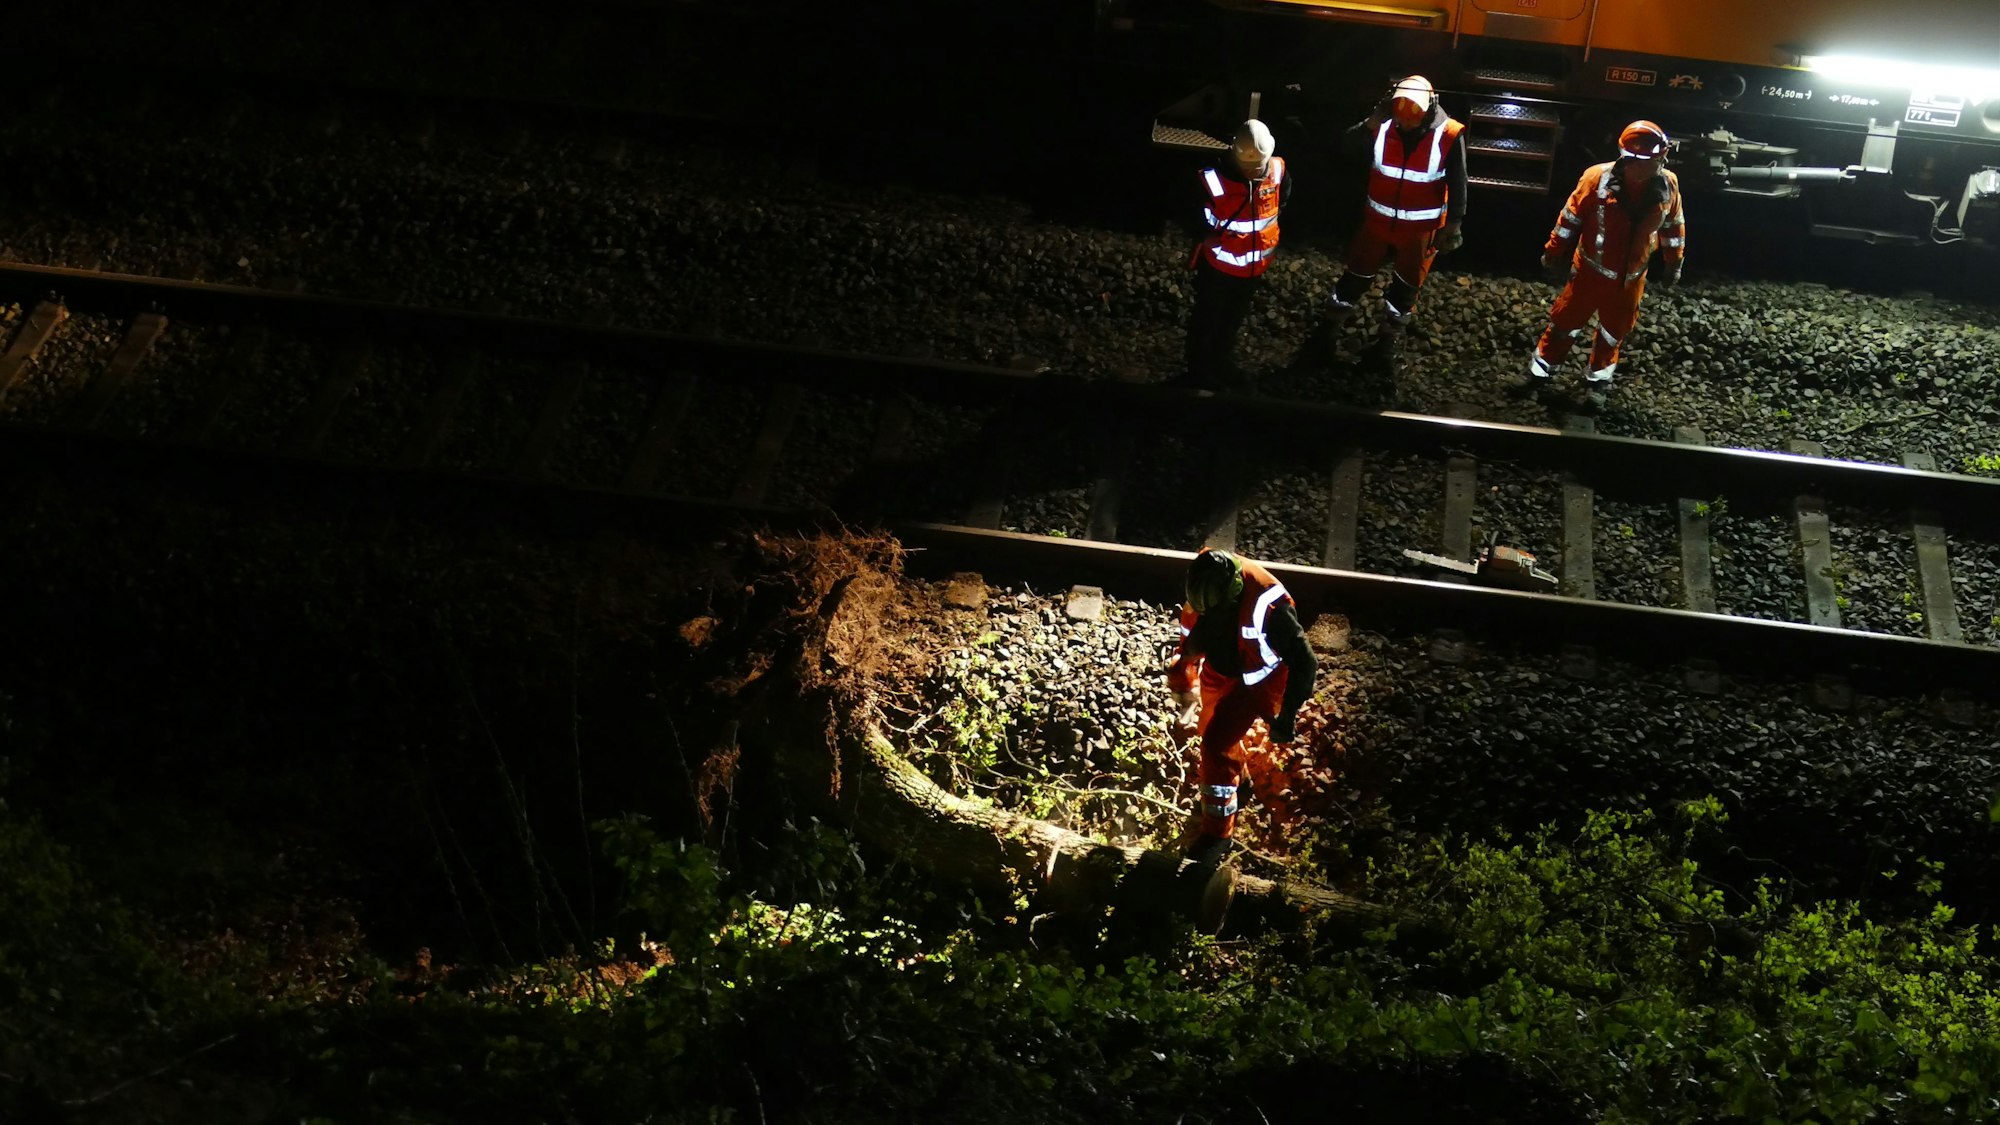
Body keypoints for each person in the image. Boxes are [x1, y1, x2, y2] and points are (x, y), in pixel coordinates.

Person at [1165, 548, 1317, 860]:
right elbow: (1194, 636)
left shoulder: (1268, 603)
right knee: (1209, 727)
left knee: (1215, 746)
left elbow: (1305, 662)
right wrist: (1184, 674)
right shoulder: (1207, 584)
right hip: (1221, 669)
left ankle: (1218, 835)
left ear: (1232, 596)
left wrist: (1286, 716)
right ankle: (1241, 780)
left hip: (1257, 681)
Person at [1523, 119, 1687, 404]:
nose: (1659, 162)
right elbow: (1570, 219)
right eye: (1655, 157)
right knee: (1564, 323)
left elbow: (1674, 227)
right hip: (1590, 273)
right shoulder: (1595, 179)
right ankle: (1539, 374)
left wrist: (1675, 263)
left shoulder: (1668, 185)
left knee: (1613, 333)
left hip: (1630, 279)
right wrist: (1554, 252)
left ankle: (1597, 383)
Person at [1323, 75, 1467, 354]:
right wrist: (1370, 123)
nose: (1405, 122)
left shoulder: (1448, 134)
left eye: (1412, 115)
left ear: (1428, 109)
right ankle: (1330, 327)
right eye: (1400, 114)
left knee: (1406, 286)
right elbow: (1345, 148)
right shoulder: (1384, 126)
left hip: (1420, 228)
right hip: (1377, 222)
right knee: (1356, 274)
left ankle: (1387, 341)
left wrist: (1455, 222)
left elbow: (1459, 181)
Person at [1182, 119, 1290, 390]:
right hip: (1218, 268)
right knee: (1207, 318)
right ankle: (1197, 370)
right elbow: (1190, 213)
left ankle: (1220, 363)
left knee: (1232, 320)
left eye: (1257, 166)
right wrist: (1203, 232)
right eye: (1247, 166)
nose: (1253, 171)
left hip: (1253, 269)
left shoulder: (1277, 171)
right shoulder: (1211, 179)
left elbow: (1282, 201)